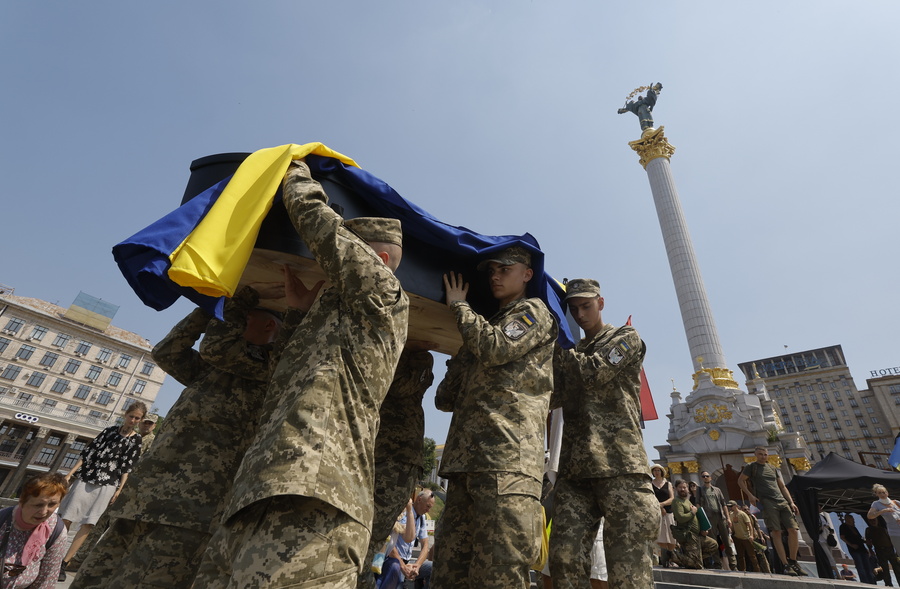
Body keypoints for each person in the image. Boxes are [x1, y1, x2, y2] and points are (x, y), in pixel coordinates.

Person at [194, 159, 410, 588]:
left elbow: (320, 226)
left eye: (351, 248)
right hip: (260, 489)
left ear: (379, 259)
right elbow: (290, 377)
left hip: (317, 493)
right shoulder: (341, 319)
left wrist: (292, 172)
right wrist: (297, 314)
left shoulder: (384, 290)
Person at [72, 284, 282, 588]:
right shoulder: (213, 370)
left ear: (269, 325)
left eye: (243, 318)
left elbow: (218, 347)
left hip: (189, 512)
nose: (231, 322)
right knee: (95, 579)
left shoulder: (270, 365)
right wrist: (206, 307)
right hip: (145, 498)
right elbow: (168, 351)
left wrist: (236, 301)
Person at [432, 246, 556, 589]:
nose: (495, 275)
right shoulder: (482, 328)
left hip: (506, 461)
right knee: (449, 572)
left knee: (498, 573)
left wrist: (459, 307)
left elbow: (497, 347)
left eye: (504, 268)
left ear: (527, 274)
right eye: (491, 272)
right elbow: (445, 398)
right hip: (464, 464)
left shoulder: (533, 313)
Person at [547, 278, 657, 589]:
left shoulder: (625, 337)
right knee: (563, 561)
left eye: (586, 306)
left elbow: (593, 372)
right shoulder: (571, 350)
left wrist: (559, 346)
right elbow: (552, 394)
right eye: (573, 308)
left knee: (629, 570)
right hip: (575, 470)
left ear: (601, 303)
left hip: (620, 465)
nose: (580, 314)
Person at [359, 346, 435, 589]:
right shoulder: (383, 347)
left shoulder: (417, 354)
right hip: (376, 451)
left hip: (398, 455)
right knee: (367, 531)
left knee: (375, 533)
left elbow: (402, 386)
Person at [57, 401, 146, 581]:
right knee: (66, 516)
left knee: (88, 523)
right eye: (131, 416)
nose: (133, 420)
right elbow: (88, 453)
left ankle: (64, 563)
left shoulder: (136, 440)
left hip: (109, 484)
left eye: (137, 418)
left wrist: (119, 490)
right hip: (87, 477)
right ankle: (54, 555)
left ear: (141, 420)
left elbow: (127, 468)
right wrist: (69, 475)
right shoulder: (109, 431)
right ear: (125, 415)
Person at [737, 446, 806, 576]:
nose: (763, 456)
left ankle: (793, 561)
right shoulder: (752, 467)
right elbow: (740, 480)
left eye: (765, 454)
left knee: (793, 530)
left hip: (782, 500)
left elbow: (782, 486)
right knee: (776, 532)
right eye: (760, 454)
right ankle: (785, 564)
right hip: (767, 501)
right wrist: (750, 495)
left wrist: (791, 502)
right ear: (756, 455)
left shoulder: (772, 468)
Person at [0, 473, 68, 589]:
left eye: (52, 504)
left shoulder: (56, 531)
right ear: (22, 501)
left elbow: (47, 579)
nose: (44, 512)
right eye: (38, 505)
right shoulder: (3, 519)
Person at [377, 491, 435, 589]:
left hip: (409, 563)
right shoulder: (402, 512)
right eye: (428, 506)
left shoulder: (421, 518)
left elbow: (425, 545)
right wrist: (403, 566)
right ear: (419, 499)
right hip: (394, 561)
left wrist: (417, 566)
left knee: (432, 568)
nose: (428, 510)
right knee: (395, 571)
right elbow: (389, 543)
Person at [670, 479, 720, 569]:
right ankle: (674, 556)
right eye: (680, 487)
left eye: (684, 487)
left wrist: (702, 529)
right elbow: (681, 518)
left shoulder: (687, 501)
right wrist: (692, 512)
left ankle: (692, 558)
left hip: (697, 535)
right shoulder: (677, 501)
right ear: (676, 489)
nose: (682, 489)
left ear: (687, 489)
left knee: (713, 545)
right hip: (689, 535)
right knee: (697, 565)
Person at [698, 470, 735, 570]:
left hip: (720, 516)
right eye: (703, 476)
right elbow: (698, 506)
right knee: (714, 542)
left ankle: (733, 564)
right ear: (701, 478)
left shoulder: (717, 490)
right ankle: (718, 563)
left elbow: (723, 504)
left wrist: (728, 518)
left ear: (711, 477)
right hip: (709, 518)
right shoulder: (700, 490)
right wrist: (702, 521)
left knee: (727, 541)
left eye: (707, 476)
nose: (705, 477)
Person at [651, 465, 676, 568]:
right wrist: (660, 508)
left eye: (658, 470)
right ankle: (664, 559)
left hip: (669, 512)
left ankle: (672, 558)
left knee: (671, 537)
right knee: (661, 537)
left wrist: (663, 504)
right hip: (657, 513)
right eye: (655, 471)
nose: (657, 472)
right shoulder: (651, 484)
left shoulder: (668, 484)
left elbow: (672, 498)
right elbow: (651, 498)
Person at [840, 513, 876, 584]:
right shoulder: (843, 526)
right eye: (851, 518)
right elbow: (842, 537)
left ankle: (872, 581)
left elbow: (859, 539)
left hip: (862, 549)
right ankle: (865, 581)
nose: (853, 520)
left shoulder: (854, 528)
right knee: (860, 567)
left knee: (867, 566)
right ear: (847, 519)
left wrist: (866, 542)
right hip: (854, 550)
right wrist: (851, 545)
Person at [866, 516, 900, 586]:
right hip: (879, 550)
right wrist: (870, 549)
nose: (873, 522)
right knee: (885, 569)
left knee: (897, 568)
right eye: (871, 520)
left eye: (874, 520)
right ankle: (888, 585)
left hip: (890, 550)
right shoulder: (869, 530)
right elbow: (868, 541)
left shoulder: (884, 528)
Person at [726, 501, 759, 572]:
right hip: (737, 537)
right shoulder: (731, 515)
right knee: (740, 556)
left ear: (735, 506)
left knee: (752, 555)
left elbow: (749, 525)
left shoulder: (742, 514)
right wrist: (731, 536)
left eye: (731, 506)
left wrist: (751, 535)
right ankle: (742, 570)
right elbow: (732, 527)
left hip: (746, 537)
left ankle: (757, 570)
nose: (730, 508)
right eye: (729, 507)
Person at [742, 506, 772, 573]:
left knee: (761, 556)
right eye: (745, 510)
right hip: (746, 539)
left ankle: (767, 571)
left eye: (747, 509)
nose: (747, 511)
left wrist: (761, 537)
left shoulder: (752, 517)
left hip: (755, 538)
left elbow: (757, 527)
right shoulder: (741, 517)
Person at [817, 505, 839, 579]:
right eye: (819, 507)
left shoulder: (822, 516)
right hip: (821, 539)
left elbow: (828, 526)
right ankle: (837, 575)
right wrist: (822, 527)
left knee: (830, 556)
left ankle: (833, 574)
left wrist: (830, 529)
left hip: (828, 539)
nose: (821, 509)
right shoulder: (814, 517)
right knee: (830, 558)